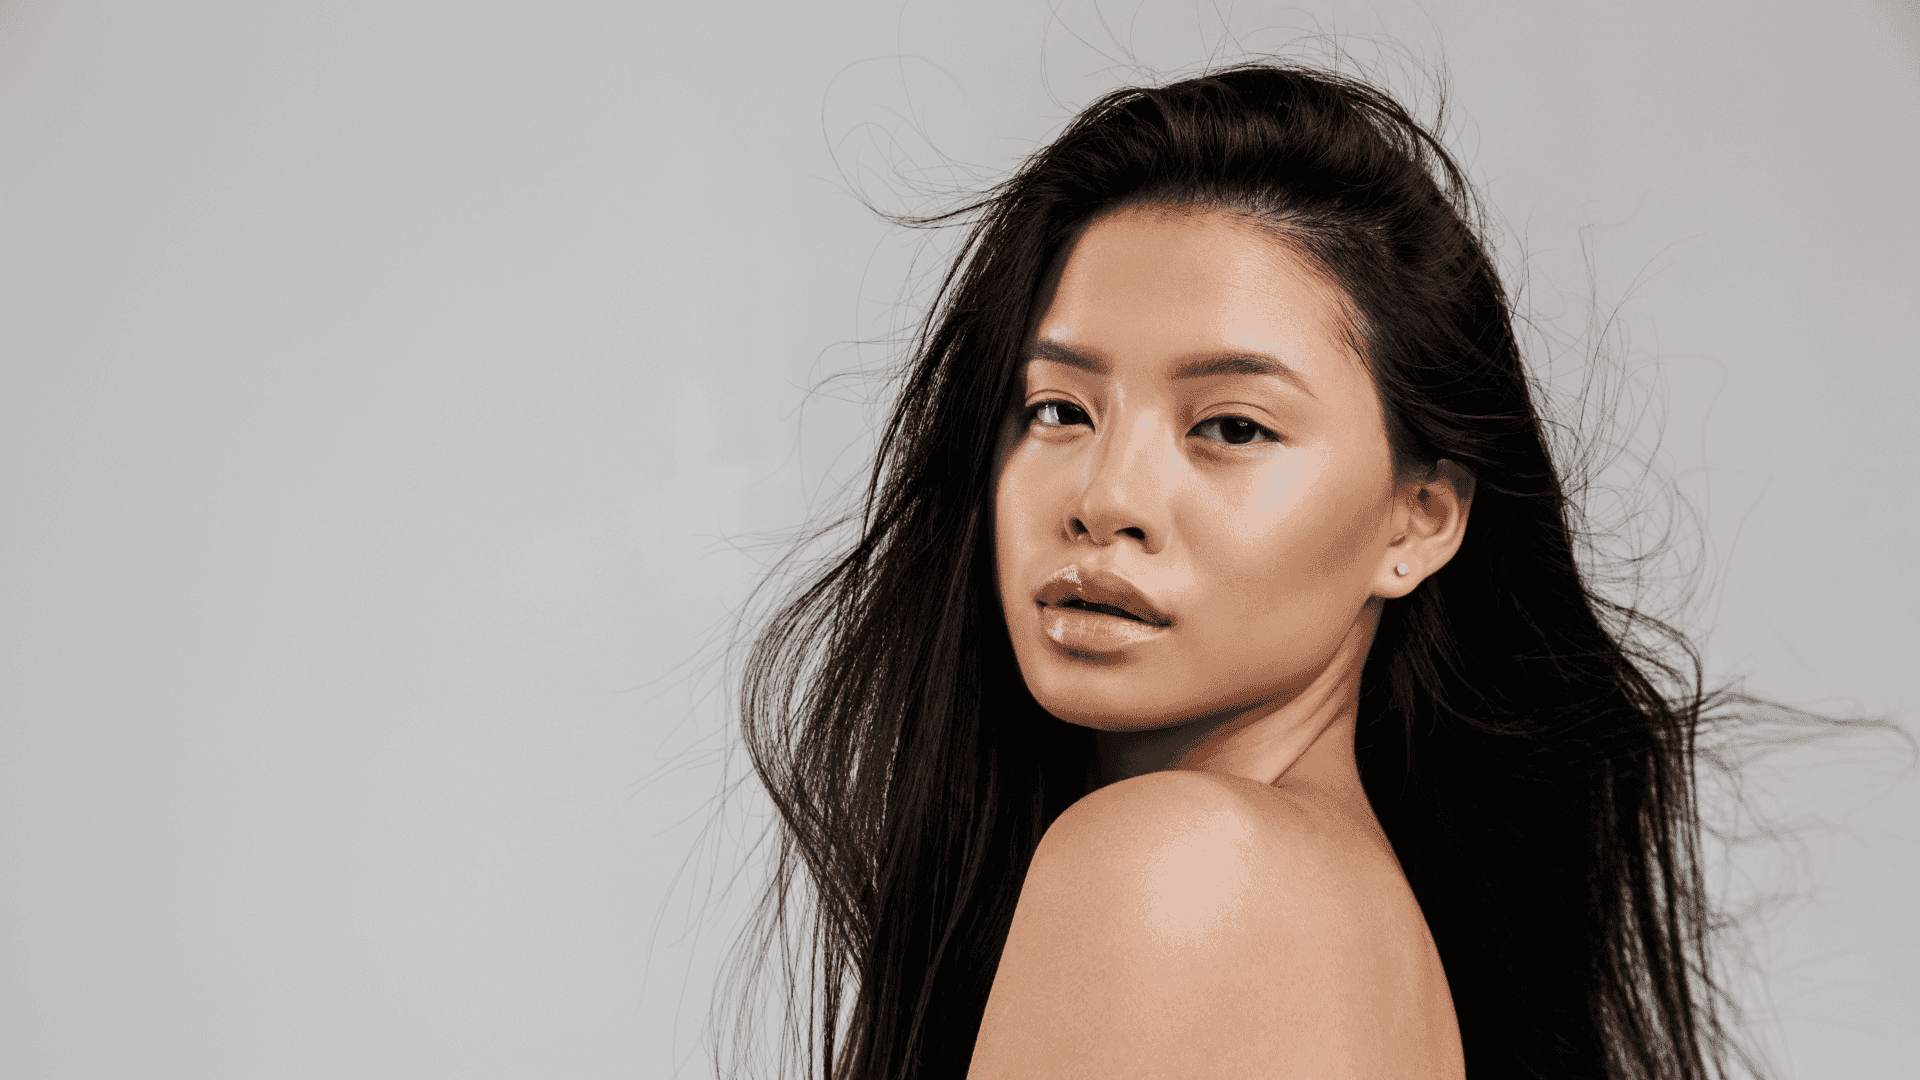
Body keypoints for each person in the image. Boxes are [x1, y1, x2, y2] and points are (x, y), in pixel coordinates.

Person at [719, 60, 1862, 1079]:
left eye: (1230, 428)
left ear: (1418, 520)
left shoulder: (1173, 866)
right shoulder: (1367, 917)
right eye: (1059, 408)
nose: (1106, 498)